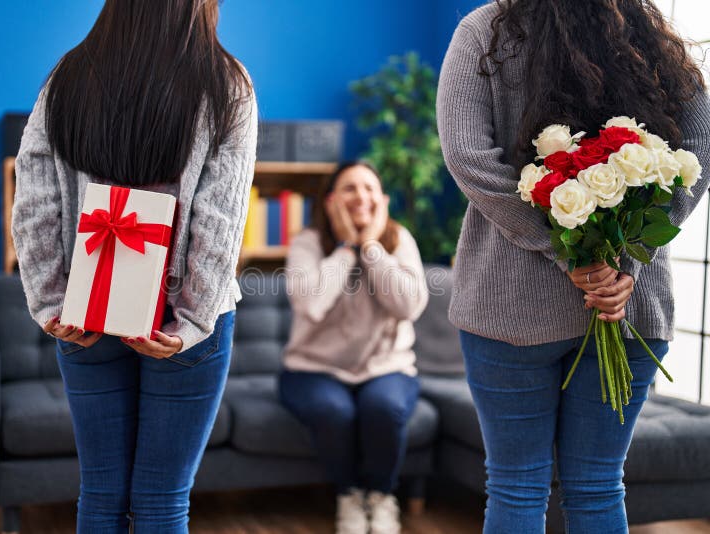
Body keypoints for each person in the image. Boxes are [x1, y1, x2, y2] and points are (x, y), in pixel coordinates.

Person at [437, 0, 710, 532]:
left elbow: (469, 158)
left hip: (510, 307)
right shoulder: (650, 36)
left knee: (516, 486)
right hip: (628, 307)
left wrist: (567, 252)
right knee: (598, 486)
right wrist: (626, 255)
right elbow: (697, 151)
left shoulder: (485, 31)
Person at [10, 1, 257, 532]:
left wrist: (53, 302)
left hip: (86, 312)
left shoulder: (68, 75)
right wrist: (190, 321)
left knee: (100, 495)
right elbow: (221, 218)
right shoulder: (227, 83)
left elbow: (33, 196)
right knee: (163, 501)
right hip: (182, 326)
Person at [278, 161, 429, 534]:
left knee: (384, 407)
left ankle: (380, 496)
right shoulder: (307, 242)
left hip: (386, 367)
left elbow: (409, 307)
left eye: (369, 188)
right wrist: (347, 249)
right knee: (334, 411)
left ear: (383, 201)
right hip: (313, 369)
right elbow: (312, 305)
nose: (361, 196)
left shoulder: (400, 239)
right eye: (349, 188)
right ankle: (348, 495)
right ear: (330, 201)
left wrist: (372, 249)